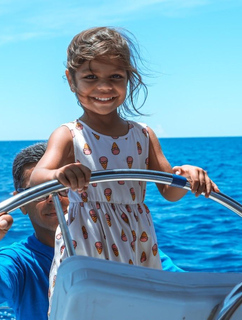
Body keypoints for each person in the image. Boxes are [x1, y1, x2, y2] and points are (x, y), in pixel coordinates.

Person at [28, 27, 220, 309]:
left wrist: (186, 176)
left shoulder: (143, 135)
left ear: (129, 78)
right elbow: (36, 178)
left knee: (140, 308)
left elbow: (169, 189)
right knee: (87, 309)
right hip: (86, 241)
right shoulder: (70, 134)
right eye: (90, 77)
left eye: (115, 77)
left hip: (137, 242)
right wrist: (59, 175)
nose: (104, 87)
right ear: (71, 80)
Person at [0, 142, 184, 320]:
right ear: (20, 203)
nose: (53, 199)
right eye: (38, 192)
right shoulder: (20, 261)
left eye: (64, 189)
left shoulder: (122, 244)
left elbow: (182, 288)